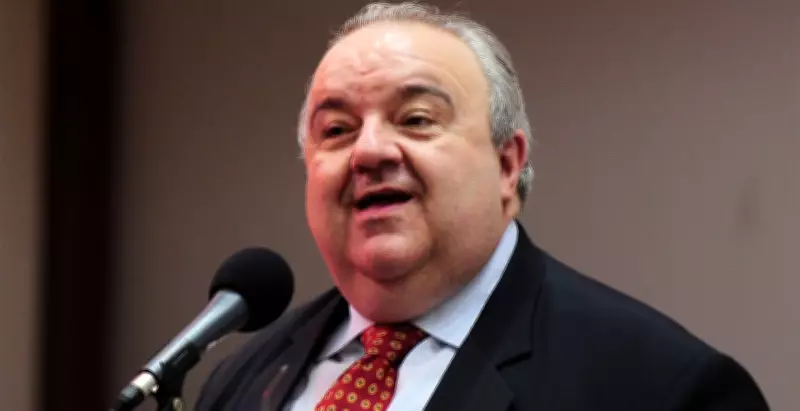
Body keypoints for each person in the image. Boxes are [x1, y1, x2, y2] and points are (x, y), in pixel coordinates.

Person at [195, 2, 770, 410]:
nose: (368, 151)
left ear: (507, 165)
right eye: (338, 130)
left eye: (416, 119)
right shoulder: (239, 381)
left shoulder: (661, 387)